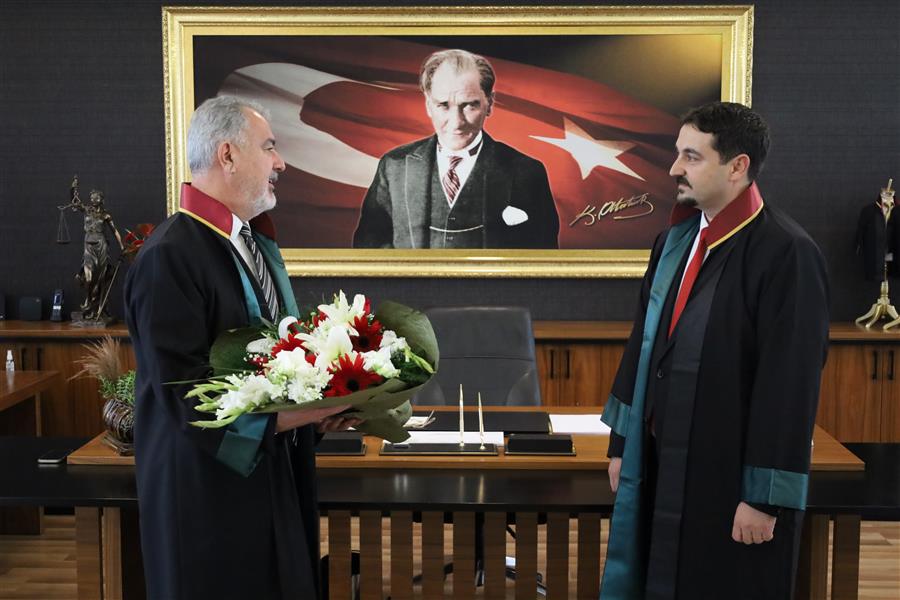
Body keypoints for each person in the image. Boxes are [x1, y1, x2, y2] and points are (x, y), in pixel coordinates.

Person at [124, 95, 358, 599]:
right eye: (269, 147)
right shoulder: (169, 255)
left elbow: (272, 369)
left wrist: (318, 413)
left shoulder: (248, 243)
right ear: (227, 155)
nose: (281, 163)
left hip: (269, 480)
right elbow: (187, 396)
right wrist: (310, 410)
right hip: (207, 501)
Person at [600, 102, 829, 599]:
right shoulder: (675, 241)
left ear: (737, 166)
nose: (674, 168)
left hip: (728, 474)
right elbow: (643, 346)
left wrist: (763, 497)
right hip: (659, 463)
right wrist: (622, 444)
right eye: (678, 153)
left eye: (692, 156)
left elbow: (789, 384)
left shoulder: (786, 252)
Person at [352, 48, 560, 249]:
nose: (456, 122)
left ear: (489, 104)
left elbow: (541, 258)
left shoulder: (527, 172)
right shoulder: (394, 166)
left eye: (469, 105)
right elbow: (369, 246)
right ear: (428, 105)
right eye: (443, 105)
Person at [72, 188, 124, 322]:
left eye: (96, 197)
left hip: (101, 245)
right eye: (92, 197)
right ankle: (88, 302)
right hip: (89, 245)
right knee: (88, 278)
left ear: (102, 199)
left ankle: (99, 307)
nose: (94, 199)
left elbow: (114, 231)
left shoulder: (106, 215)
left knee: (101, 278)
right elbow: (74, 202)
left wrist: (122, 247)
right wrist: (73, 189)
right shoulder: (86, 210)